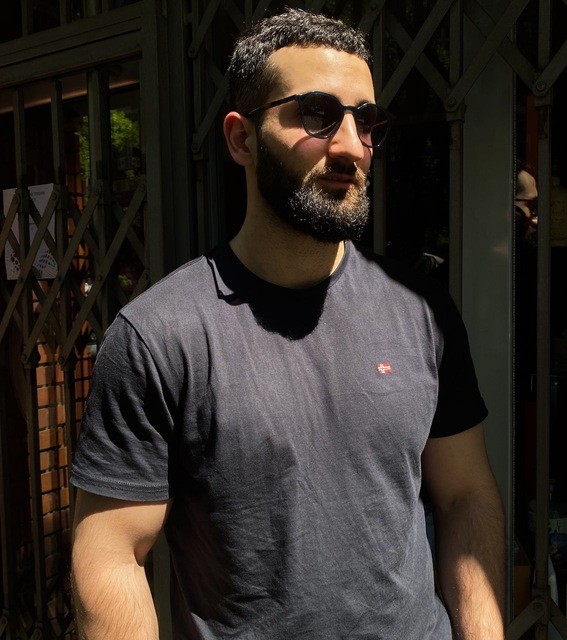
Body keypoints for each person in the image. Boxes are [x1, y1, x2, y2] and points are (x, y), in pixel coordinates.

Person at [70, 9, 505, 639]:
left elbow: (466, 494)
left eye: (366, 121)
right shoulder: (160, 337)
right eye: (317, 115)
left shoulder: (422, 313)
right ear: (241, 139)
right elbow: (111, 553)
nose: (351, 146)